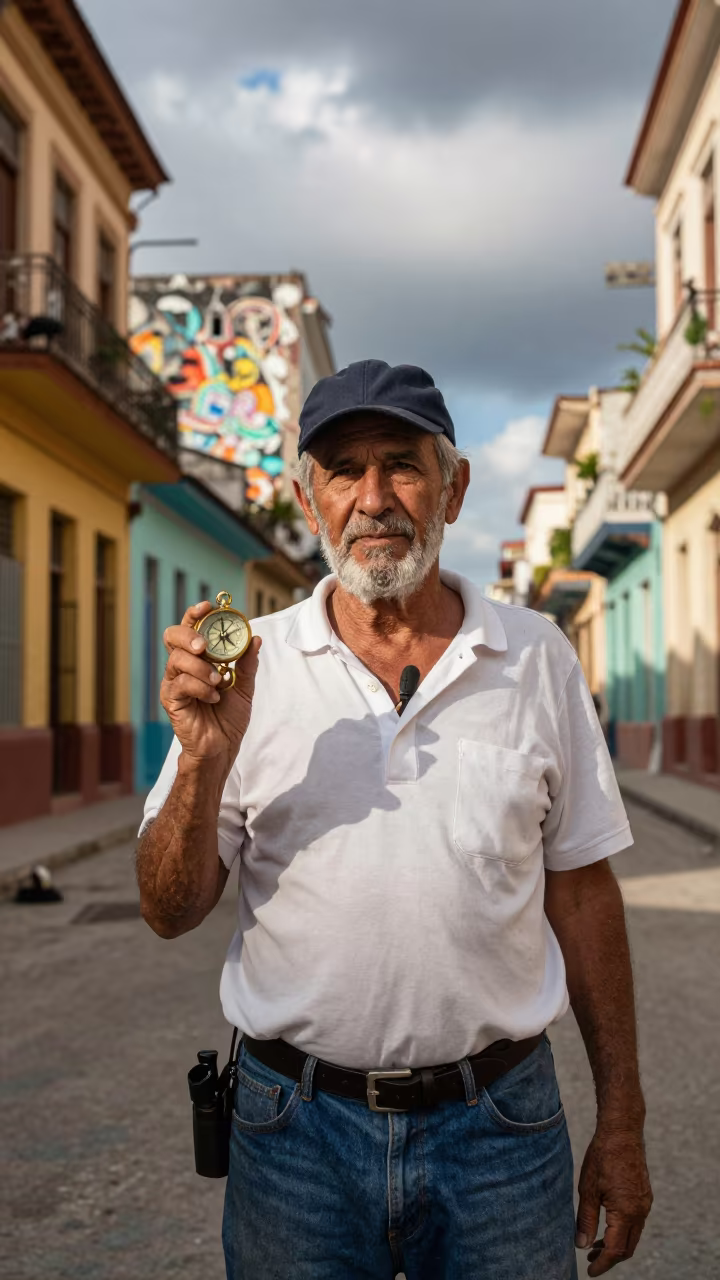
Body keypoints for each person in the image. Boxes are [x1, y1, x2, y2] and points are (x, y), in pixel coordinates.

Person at [137, 360, 652, 1280]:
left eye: (401, 465)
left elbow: (583, 895)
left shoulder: (535, 656)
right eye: (343, 469)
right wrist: (204, 765)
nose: (373, 497)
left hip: (501, 1127)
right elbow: (169, 910)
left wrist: (623, 1124)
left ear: (452, 487)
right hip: (293, 1133)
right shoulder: (250, 666)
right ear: (310, 499)